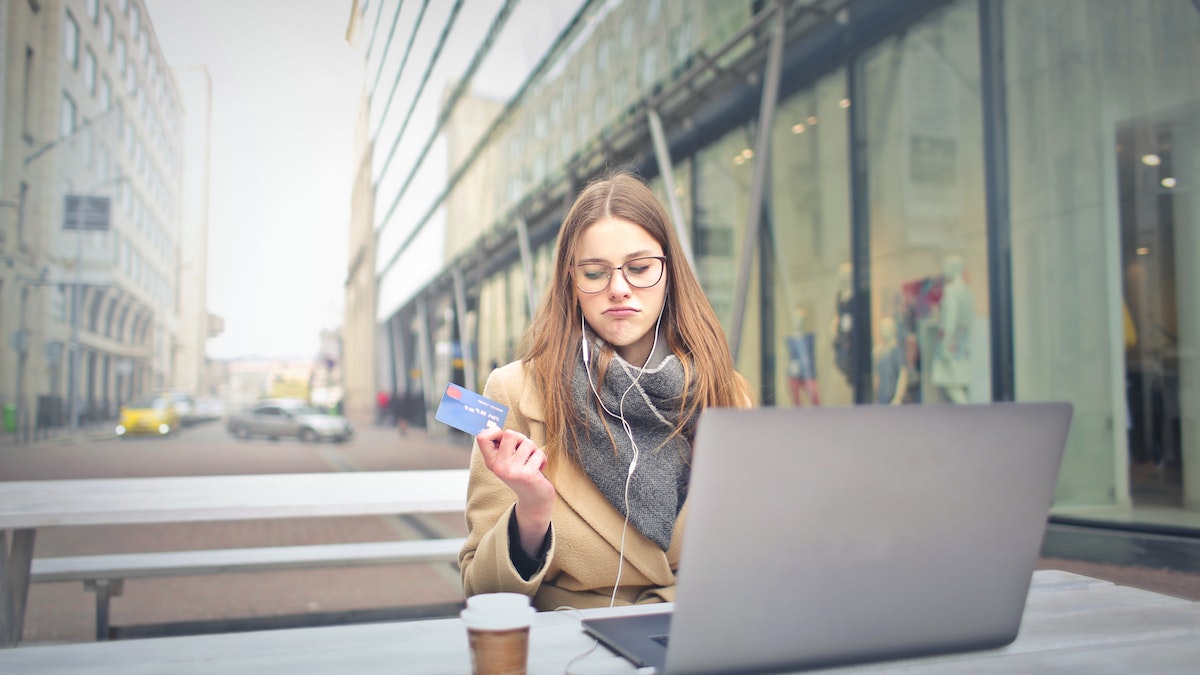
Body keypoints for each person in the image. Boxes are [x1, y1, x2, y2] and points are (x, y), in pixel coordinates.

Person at [459, 171, 752, 611]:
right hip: (577, 646)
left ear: (669, 273)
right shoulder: (513, 390)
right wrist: (532, 515)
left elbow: (751, 547)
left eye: (639, 268)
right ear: (571, 284)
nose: (618, 289)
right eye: (595, 272)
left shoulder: (726, 392)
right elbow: (481, 590)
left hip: (700, 633)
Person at [931, 255, 974, 404]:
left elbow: (950, 320)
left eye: (946, 267)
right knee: (958, 383)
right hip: (962, 344)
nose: (944, 271)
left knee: (950, 383)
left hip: (951, 343)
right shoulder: (967, 291)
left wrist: (944, 345)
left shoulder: (951, 290)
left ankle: (967, 415)